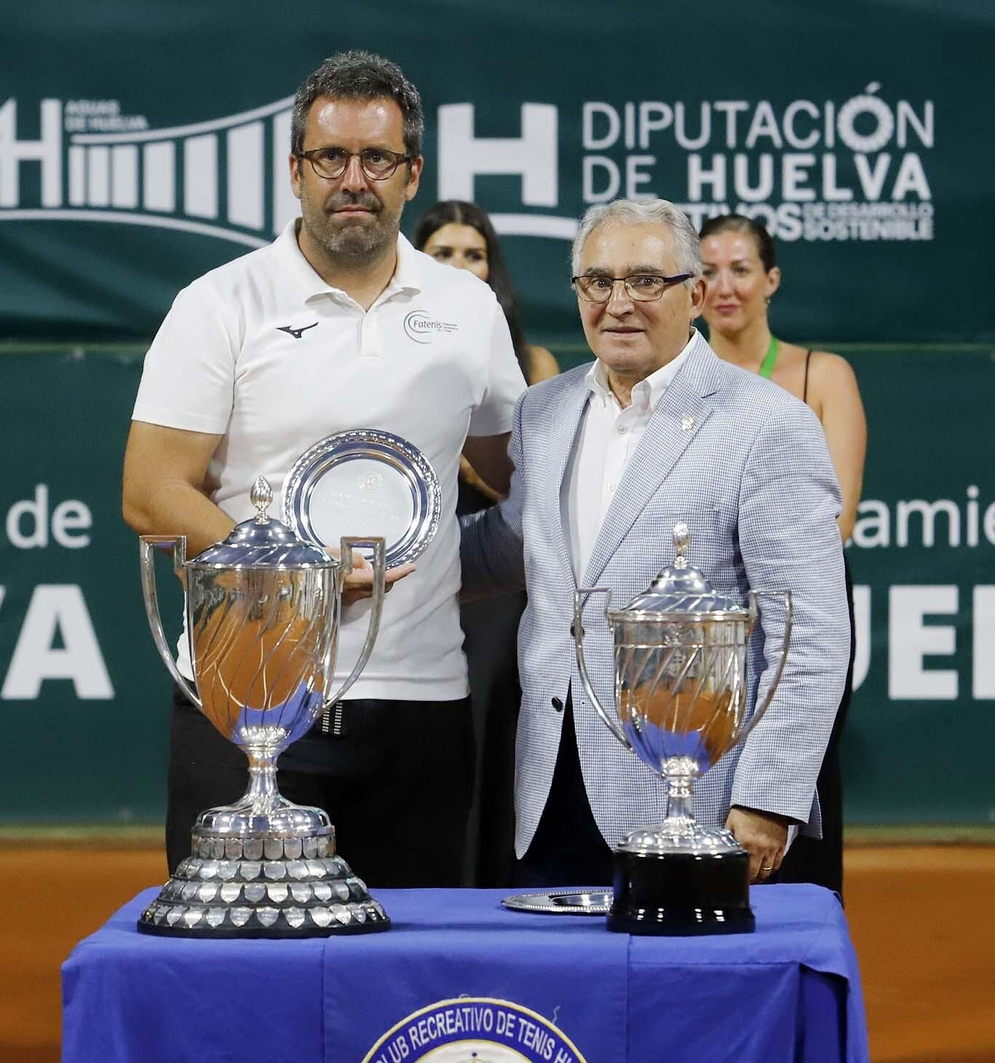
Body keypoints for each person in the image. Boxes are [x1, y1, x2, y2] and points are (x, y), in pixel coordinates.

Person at [122, 51, 526, 886]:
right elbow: (152, 489)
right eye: (329, 158)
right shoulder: (219, 303)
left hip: (425, 700)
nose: (353, 179)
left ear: (411, 174)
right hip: (252, 700)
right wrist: (296, 573)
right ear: (295, 172)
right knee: (244, 974)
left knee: (412, 986)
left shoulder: (467, 309)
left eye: (376, 158)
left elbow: (518, 466)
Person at [460, 198, 850, 888]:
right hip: (550, 789)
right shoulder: (543, 413)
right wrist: (381, 554)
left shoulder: (768, 425)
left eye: (645, 280)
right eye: (597, 282)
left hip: (700, 802)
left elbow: (809, 633)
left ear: (694, 294)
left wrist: (766, 797)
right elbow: (509, 546)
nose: (618, 303)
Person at [699, 214, 868, 895]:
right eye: (707, 270)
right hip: (702, 620)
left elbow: (839, 518)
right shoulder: (682, 379)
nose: (723, 285)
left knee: (795, 775)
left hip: (793, 606)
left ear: (770, 281)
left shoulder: (821, 374)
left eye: (740, 269)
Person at [411, 199, 557, 886]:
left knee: (493, 717)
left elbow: (535, 490)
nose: (462, 267)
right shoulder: (397, 360)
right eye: (444, 254)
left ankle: (495, 879)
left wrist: (469, 451)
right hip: (414, 572)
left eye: (474, 254)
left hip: (497, 576)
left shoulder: (534, 361)